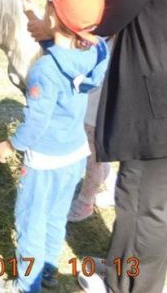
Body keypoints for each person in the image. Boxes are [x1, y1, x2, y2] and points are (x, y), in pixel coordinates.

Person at [28, 0, 167, 293]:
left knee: (139, 205)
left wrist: (53, 25)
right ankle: (124, 271)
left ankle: (127, 287)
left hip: (159, 104)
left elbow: (104, 20)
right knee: (158, 205)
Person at [0, 0, 110, 293]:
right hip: (73, 155)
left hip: (43, 161)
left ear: (55, 19)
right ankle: (48, 272)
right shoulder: (96, 52)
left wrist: (11, 144)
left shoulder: (45, 70)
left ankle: (26, 285)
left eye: (48, 10)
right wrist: (33, 13)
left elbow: (36, 123)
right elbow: (62, 52)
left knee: (31, 221)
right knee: (56, 217)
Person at [67, 55, 117, 223]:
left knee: (92, 152)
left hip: (100, 95)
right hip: (96, 86)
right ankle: (108, 181)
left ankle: (85, 201)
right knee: (93, 150)